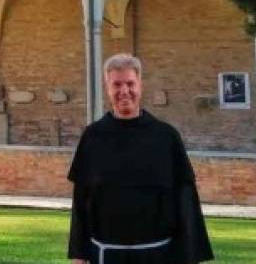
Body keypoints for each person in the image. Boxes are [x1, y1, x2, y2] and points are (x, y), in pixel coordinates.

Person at [68, 54, 213, 264]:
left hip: (158, 255)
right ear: (107, 88)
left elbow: (185, 200)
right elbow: (81, 199)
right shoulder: (92, 137)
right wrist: (78, 256)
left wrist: (190, 255)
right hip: (106, 255)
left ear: (140, 86)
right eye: (116, 84)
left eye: (130, 83)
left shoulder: (166, 137)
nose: (124, 91)